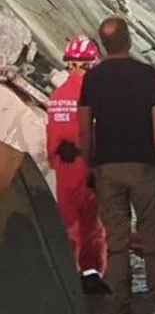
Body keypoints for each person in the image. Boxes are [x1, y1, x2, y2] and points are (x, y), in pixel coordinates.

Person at [78, 16, 155, 314]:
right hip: (144, 165)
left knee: (116, 240)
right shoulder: (146, 74)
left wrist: (90, 164)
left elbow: (84, 127)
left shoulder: (92, 78)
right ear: (129, 39)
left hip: (107, 167)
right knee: (153, 238)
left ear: (103, 45)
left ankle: (122, 305)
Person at [46, 35, 110, 296]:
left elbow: (52, 137)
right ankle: (91, 273)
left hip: (65, 168)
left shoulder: (57, 95)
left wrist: (58, 162)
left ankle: (69, 274)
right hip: (91, 166)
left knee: (69, 221)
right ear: (92, 63)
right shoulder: (97, 94)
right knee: (93, 222)